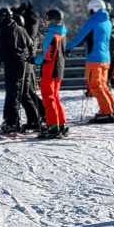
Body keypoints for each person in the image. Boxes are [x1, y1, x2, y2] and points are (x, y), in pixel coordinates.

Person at [0, 7, 42, 134]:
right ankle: (34, 121)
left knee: (12, 95)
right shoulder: (21, 29)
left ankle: (12, 123)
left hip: (12, 68)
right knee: (24, 94)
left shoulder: (2, 34)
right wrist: (29, 59)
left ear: (1, 18)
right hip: (24, 67)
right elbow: (30, 44)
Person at [66, 0, 114, 122]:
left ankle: (106, 112)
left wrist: (66, 48)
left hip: (94, 59)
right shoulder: (108, 21)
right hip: (106, 59)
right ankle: (111, 108)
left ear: (93, 8)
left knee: (94, 85)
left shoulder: (93, 21)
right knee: (103, 85)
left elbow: (80, 37)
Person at [34, 9, 68, 138]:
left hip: (49, 69)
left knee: (48, 97)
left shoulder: (51, 35)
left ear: (53, 20)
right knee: (55, 97)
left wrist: (34, 60)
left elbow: (46, 55)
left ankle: (53, 126)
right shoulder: (62, 33)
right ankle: (60, 124)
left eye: (47, 18)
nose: (45, 21)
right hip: (58, 70)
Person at [13, 2, 44, 130]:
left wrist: (21, 13)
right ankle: (40, 114)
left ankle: (39, 115)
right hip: (28, 60)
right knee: (27, 92)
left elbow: (27, 35)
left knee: (26, 92)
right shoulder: (31, 22)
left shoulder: (30, 24)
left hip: (27, 61)